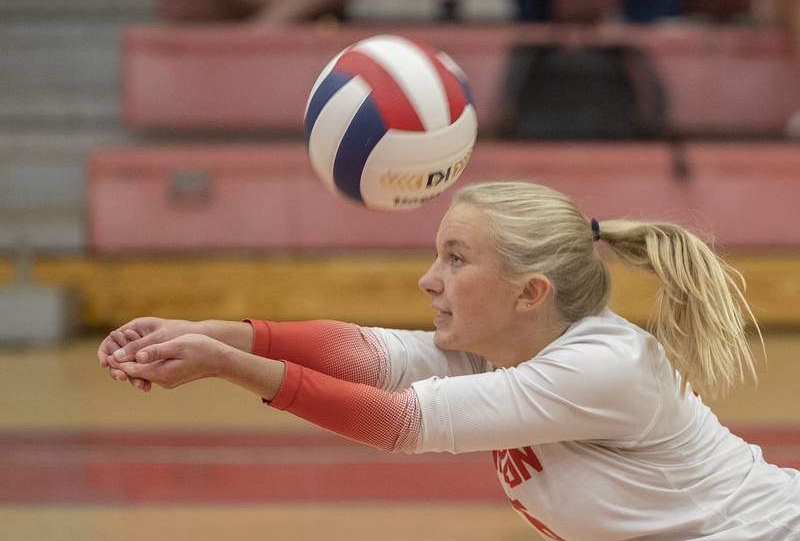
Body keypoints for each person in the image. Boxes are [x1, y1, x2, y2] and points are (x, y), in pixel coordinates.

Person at [98, 181, 800, 539]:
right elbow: (373, 356)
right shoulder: (506, 348)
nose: (428, 279)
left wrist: (224, 363)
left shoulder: (602, 367)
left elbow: (400, 422)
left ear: (530, 292)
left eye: (456, 259)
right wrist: (212, 330)